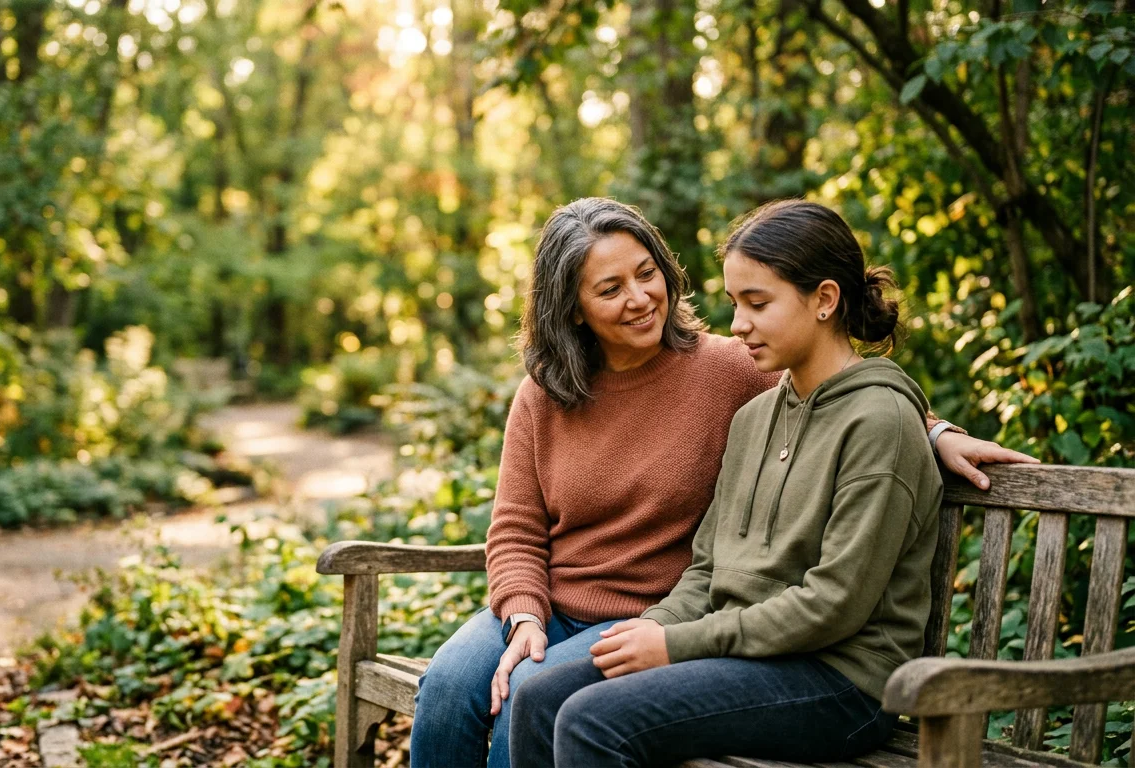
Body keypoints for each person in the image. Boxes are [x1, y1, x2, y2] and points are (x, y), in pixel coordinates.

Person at [408, 198, 1036, 768]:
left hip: (809, 663)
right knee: (452, 687)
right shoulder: (564, 394)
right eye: (610, 288)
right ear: (572, 307)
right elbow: (520, 529)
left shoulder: (735, 372)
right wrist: (527, 619)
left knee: (538, 700)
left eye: (646, 273)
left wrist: (936, 431)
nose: (639, 297)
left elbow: (854, 399)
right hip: (611, 612)